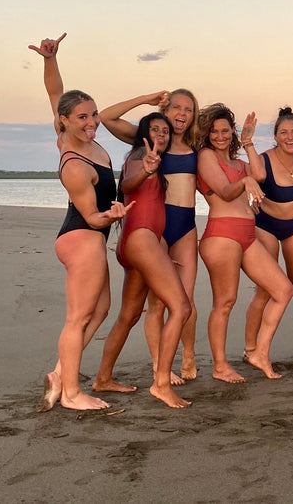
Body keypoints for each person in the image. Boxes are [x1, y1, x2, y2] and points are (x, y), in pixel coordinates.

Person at [30, 33, 129, 412]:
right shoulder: (73, 160)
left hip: (89, 238)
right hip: (82, 236)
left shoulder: (76, 135)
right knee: (78, 318)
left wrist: (49, 60)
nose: (92, 123)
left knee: (100, 309)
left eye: (93, 115)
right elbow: (91, 216)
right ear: (65, 122)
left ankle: (59, 374)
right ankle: (71, 393)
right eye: (82, 118)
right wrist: (115, 213)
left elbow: (56, 93)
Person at [101, 88, 203, 381]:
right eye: (176, 108)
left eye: (189, 109)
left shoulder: (195, 146)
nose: (182, 114)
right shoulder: (150, 139)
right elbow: (108, 117)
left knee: (186, 299)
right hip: (154, 230)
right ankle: (162, 366)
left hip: (184, 225)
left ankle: (188, 354)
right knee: (157, 303)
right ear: (165, 110)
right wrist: (145, 99)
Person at [91, 113, 192, 408]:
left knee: (130, 315)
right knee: (181, 307)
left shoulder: (155, 161)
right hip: (141, 240)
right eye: (154, 129)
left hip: (141, 243)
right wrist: (147, 171)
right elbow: (127, 186)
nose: (160, 134)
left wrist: (159, 255)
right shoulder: (139, 157)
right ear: (143, 134)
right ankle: (161, 384)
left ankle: (103, 378)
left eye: (165, 130)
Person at [197, 104, 293, 382]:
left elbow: (261, 175)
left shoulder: (239, 164)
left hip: (247, 236)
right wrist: (247, 181)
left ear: (233, 132)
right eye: (214, 131)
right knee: (225, 302)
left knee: (283, 289)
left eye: (225, 130)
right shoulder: (206, 156)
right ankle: (219, 366)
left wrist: (249, 143)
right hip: (221, 235)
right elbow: (227, 192)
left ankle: (259, 353)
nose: (220, 136)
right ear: (207, 134)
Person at [240, 108, 293, 368]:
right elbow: (257, 176)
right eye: (284, 132)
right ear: (275, 136)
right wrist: (248, 143)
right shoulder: (264, 159)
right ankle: (250, 349)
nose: (290, 136)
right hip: (267, 225)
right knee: (265, 289)